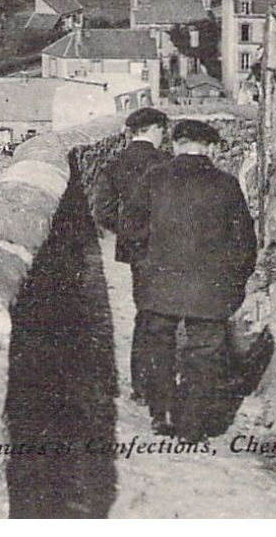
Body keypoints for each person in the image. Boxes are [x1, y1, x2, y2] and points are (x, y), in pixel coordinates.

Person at [131, 119, 258, 442]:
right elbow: (244, 241)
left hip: (160, 282)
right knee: (203, 352)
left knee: (158, 345)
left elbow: (131, 230)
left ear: (174, 144)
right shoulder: (226, 184)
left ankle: (163, 414)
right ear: (211, 147)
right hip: (209, 287)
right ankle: (191, 425)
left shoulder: (154, 178)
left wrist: (143, 270)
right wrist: (234, 282)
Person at [92, 106, 170, 403]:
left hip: (136, 249)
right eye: (162, 131)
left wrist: (128, 232)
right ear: (154, 129)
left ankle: (142, 385)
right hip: (166, 246)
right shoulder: (166, 162)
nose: (164, 136)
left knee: (144, 310)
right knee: (166, 312)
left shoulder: (116, 163)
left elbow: (104, 212)